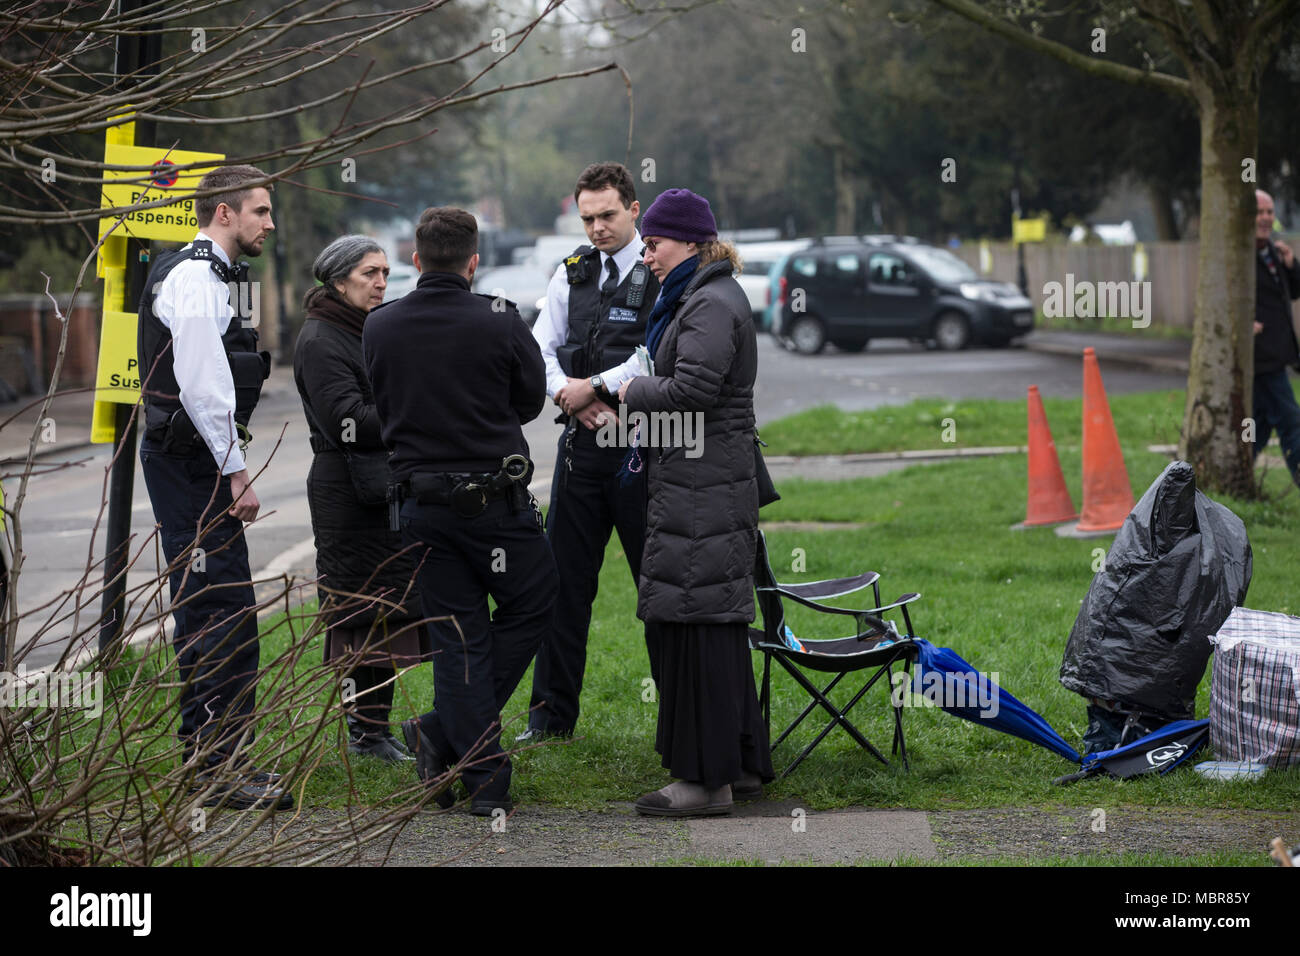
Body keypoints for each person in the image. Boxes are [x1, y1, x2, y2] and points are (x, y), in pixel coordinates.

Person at [363, 207, 557, 815]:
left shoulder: (381, 325)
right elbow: (529, 401)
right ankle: (473, 762)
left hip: (422, 508)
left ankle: (454, 743)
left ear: (415, 260)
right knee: (536, 599)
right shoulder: (500, 318)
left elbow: (381, 399)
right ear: (473, 262)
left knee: (456, 640)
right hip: (494, 504)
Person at [616, 188, 773, 817]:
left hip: (705, 486)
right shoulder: (705, 294)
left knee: (697, 621)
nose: (647, 254)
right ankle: (740, 764)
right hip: (699, 481)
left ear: (689, 241)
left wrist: (630, 388)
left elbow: (693, 390)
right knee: (709, 621)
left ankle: (706, 784)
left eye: (654, 243)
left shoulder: (708, 302)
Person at [136, 164, 288, 809]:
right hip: (193, 464)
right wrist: (235, 473)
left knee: (208, 607)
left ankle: (208, 759)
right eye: (259, 210)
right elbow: (203, 386)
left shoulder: (206, 275)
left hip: (187, 460)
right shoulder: (197, 280)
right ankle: (221, 769)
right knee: (221, 608)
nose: (270, 222)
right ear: (223, 213)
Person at [519, 162, 661, 741]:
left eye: (607, 215)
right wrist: (568, 395)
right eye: (587, 218)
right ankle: (550, 721)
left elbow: (656, 351)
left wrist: (595, 386)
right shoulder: (572, 272)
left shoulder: (659, 270)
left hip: (642, 448)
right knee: (562, 588)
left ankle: (677, 717)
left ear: (633, 209)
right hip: (581, 447)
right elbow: (538, 347)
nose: (597, 228)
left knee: (658, 587)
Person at [294, 235, 434, 762]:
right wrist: (416, 412)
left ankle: (375, 732)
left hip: (379, 486)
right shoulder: (321, 338)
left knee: (386, 613)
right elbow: (346, 421)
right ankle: (365, 735)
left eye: (383, 272)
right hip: (346, 493)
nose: (380, 282)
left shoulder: (364, 329)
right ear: (337, 280)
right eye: (369, 273)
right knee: (359, 616)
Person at [1251, 189, 1300, 487]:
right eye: (1259, 212)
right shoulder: (1239, 257)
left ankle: (1231, 480)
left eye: (1269, 212)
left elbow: (1293, 292)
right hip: (1260, 355)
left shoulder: (1273, 253)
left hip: (1276, 353)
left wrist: (1292, 264)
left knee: (1258, 427)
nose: (1266, 218)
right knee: (1291, 420)